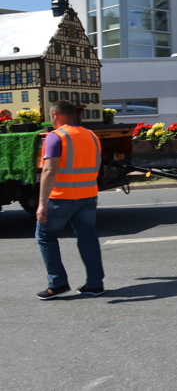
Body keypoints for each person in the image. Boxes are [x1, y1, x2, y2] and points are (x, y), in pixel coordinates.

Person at [35, 100, 104, 299]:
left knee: (46, 236)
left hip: (61, 197)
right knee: (87, 237)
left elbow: (49, 170)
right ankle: (95, 284)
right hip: (88, 195)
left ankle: (57, 284)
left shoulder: (55, 137)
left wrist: (41, 204)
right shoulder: (91, 136)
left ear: (55, 115)